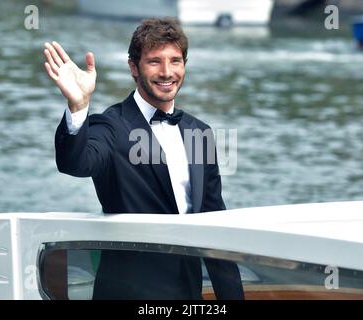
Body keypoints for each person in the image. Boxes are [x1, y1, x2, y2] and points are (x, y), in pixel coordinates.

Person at [43, 18, 244, 300]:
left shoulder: (200, 132)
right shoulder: (111, 125)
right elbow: (75, 163)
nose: (167, 72)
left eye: (175, 61)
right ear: (133, 68)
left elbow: (215, 226)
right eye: (154, 61)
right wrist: (78, 107)